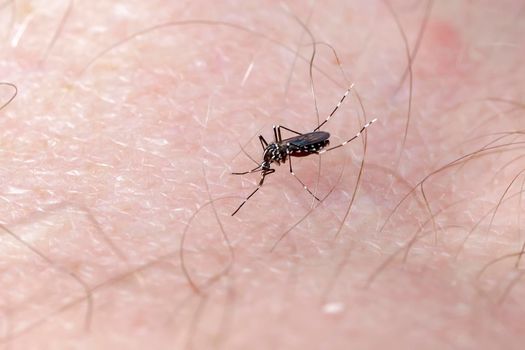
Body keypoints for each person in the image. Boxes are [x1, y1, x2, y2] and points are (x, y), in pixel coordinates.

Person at [0, 0, 523, 348]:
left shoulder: (283, 154)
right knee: (282, 143)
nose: (268, 165)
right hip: (295, 143)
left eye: (268, 163)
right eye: (269, 163)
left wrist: (300, 146)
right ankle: (330, 131)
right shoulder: (272, 155)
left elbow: (278, 157)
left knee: (298, 139)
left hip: (302, 138)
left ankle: (331, 129)